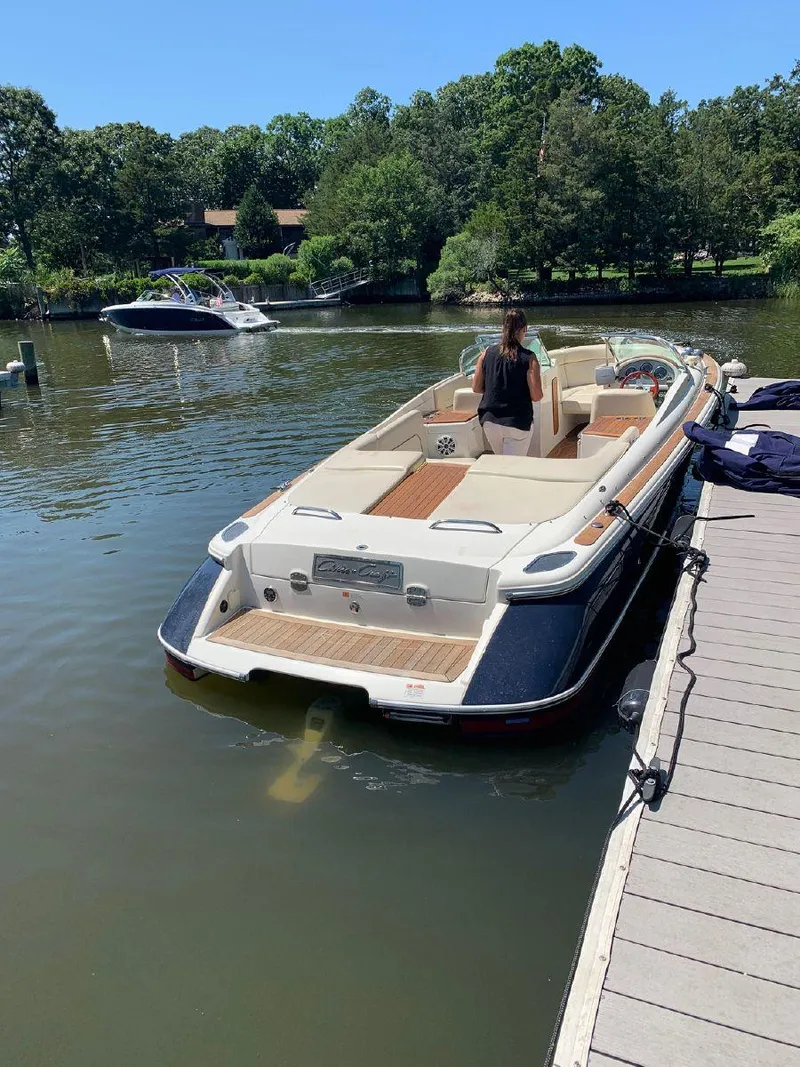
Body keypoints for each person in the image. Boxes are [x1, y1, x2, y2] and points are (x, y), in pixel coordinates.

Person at [472, 308, 544, 455]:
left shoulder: (485, 354)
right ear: (525, 329)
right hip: (517, 422)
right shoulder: (529, 358)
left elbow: (476, 388)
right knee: (512, 468)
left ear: (503, 328)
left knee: (502, 463)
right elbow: (537, 396)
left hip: (490, 421)